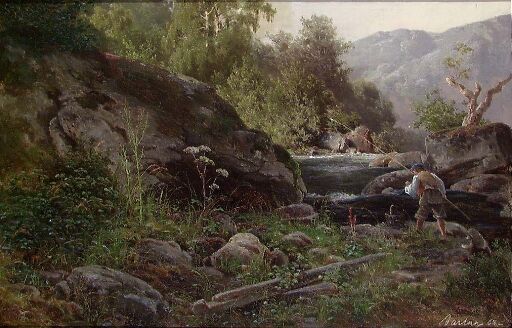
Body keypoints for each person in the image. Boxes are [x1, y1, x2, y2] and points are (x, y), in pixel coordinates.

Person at [405, 163, 447, 238]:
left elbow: (413, 190)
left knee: (421, 215)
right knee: (440, 216)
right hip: (437, 196)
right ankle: (444, 235)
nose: (413, 173)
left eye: (413, 171)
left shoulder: (417, 176)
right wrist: (443, 195)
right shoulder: (433, 175)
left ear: (416, 170)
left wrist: (406, 188)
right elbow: (441, 184)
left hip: (426, 196)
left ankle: (418, 232)